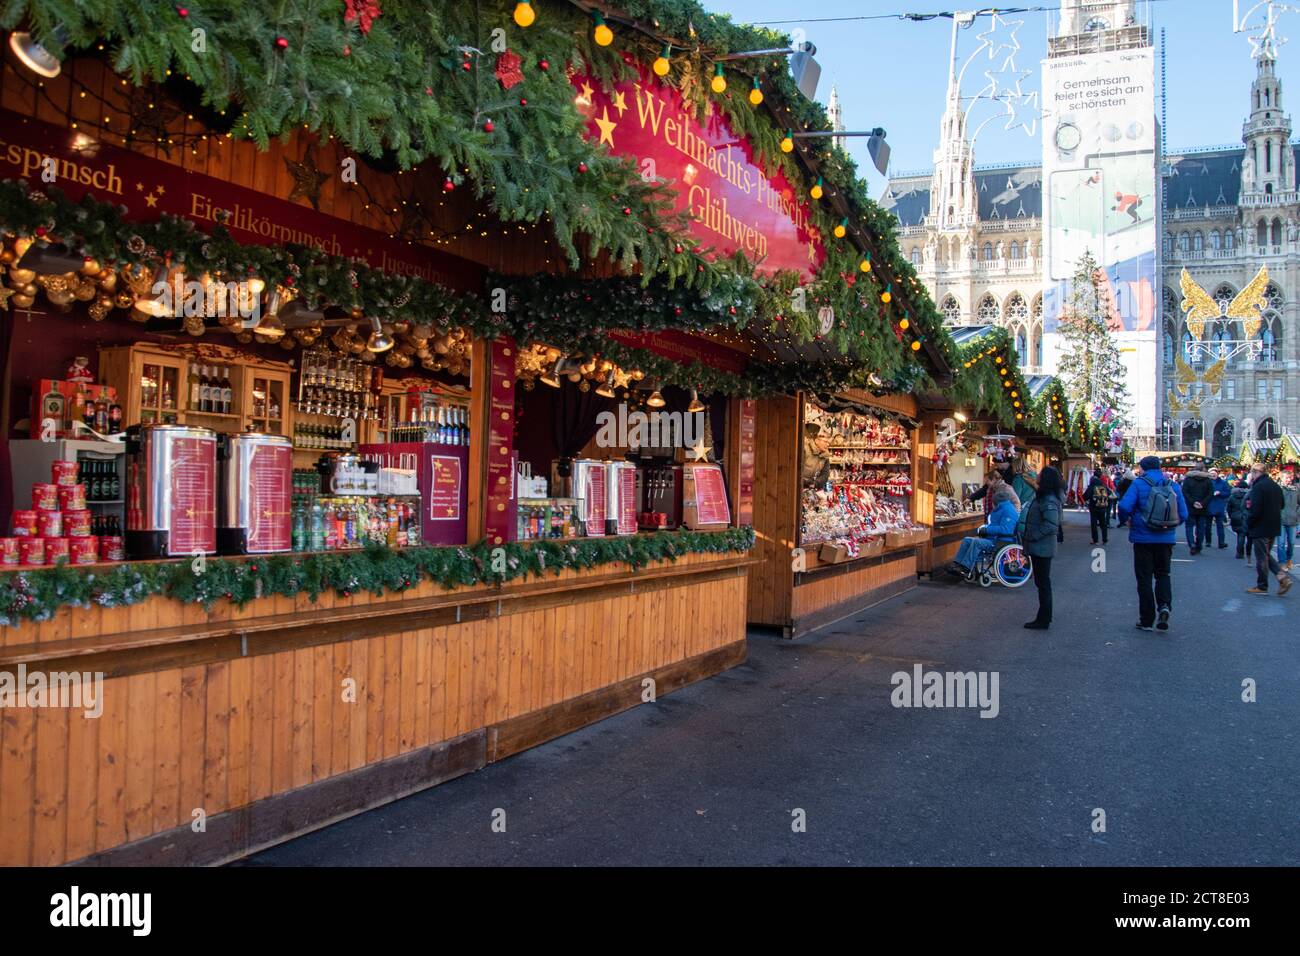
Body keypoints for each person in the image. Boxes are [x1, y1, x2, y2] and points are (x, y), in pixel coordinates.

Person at [1118, 455, 1188, 632]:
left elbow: (1125, 506)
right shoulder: (1172, 485)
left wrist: (1127, 519)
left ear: (1143, 468)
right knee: (1163, 574)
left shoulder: (1139, 484)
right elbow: (1184, 514)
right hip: (1166, 539)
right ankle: (1164, 606)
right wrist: (1169, 526)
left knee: (1144, 579)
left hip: (1143, 538)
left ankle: (1147, 619)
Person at [1020, 466, 1063, 630]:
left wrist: (1033, 535)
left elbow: (1051, 524)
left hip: (1042, 547)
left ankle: (1044, 618)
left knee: (1043, 583)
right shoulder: (1045, 496)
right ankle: (1044, 617)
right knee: (1042, 582)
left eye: (1040, 474)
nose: (1036, 475)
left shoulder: (1048, 499)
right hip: (1040, 546)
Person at [1244, 464, 1292, 595]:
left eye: (1252, 473)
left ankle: (1262, 586)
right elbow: (1282, 504)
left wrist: (1249, 523)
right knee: (1265, 555)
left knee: (1261, 558)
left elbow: (1255, 510)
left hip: (1261, 526)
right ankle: (1283, 578)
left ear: (1255, 473)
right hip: (1274, 525)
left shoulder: (1258, 487)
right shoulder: (1275, 486)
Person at [951, 486, 1019, 574]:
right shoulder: (1001, 509)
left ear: (996, 503)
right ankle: (957, 564)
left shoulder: (1009, 511)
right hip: (994, 538)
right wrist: (985, 528)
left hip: (1000, 541)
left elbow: (1006, 529)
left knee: (977, 543)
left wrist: (986, 529)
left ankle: (966, 567)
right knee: (966, 540)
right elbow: (994, 525)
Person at [1180, 466, 1214, 554]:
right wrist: (1202, 503)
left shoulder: (1188, 479)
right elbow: (1210, 494)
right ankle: (1199, 544)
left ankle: (1191, 544)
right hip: (1203, 507)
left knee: (1189, 526)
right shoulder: (1207, 480)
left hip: (1190, 506)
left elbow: (1184, 492)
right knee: (1201, 527)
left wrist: (1193, 502)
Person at [1083, 468, 1114, 544]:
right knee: (1103, 524)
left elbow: (1085, 496)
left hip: (1093, 507)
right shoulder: (1103, 485)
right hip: (1102, 506)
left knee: (1094, 524)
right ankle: (1105, 539)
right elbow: (1110, 493)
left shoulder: (1092, 485)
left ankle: (1095, 540)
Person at [1278, 469, 1298, 571]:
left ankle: (1289, 559)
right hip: (1280, 519)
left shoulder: (1296, 489)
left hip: (1293, 520)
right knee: (1281, 543)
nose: (1289, 480)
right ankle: (1282, 562)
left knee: (1291, 542)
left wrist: (1297, 514)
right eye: (1287, 478)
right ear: (1282, 478)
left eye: (1290, 478)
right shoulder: (1278, 488)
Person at [801, 423, 831, 487]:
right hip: (798, 484)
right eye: (825, 441)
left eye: (828, 442)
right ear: (816, 441)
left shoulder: (825, 456)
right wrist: (804, 482)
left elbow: (825, 474)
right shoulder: (805, 450)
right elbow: (797, 469)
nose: (827, 444)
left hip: (811, 486)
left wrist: (815, 483)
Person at [1208, 467, 1231, 549]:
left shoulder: (1223, 483)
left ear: (1217, 474)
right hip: (1209, 506)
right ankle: (1208, 541)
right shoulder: (1207, 483)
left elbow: (1228, 492)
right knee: (1208, 525)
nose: (1213, 475)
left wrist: (1220, 493)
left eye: (1214, 474)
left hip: (1219, 506)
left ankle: (1221, 542)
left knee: (1220, 526)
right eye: (1211, 474)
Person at [1228, 478, 1251, 559]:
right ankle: (1248, 553)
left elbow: (1229, 508)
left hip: (1236, 517)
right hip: (1247, 517)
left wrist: (1231, 516)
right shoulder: (1250, 496)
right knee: (1249, 536)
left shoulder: (1232, 496)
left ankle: (1239, 552)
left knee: (1240, 535)